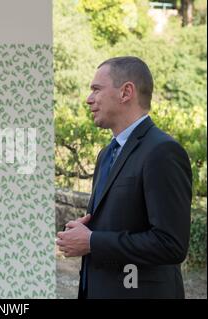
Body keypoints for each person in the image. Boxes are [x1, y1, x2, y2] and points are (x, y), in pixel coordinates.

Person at [56, 56, 192, 299]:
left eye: (96, 89)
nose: (89, 99)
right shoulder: (106, 154)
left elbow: (171, 244)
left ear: (126, 92)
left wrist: (93, 241)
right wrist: (87, 230)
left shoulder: (163, 152)